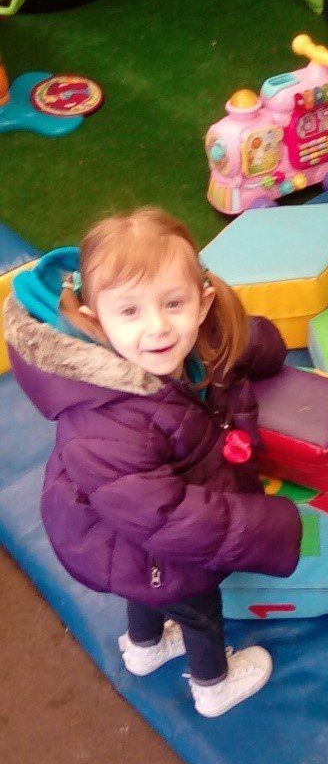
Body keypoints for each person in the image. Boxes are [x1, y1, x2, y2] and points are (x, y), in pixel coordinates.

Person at [4, 207, 302, 718]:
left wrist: (263, 346)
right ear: (93, 320)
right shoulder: (104, 422)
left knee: (144, 588)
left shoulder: (179, 346)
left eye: (173, 303)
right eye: (130, 312)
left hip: (129, 546)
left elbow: (231, 346)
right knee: (198, 610)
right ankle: (214, 686)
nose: (159, 328)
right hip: (141, 534)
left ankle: (143, 649)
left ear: (203, 301)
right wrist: (269, 526)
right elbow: (164, 517)